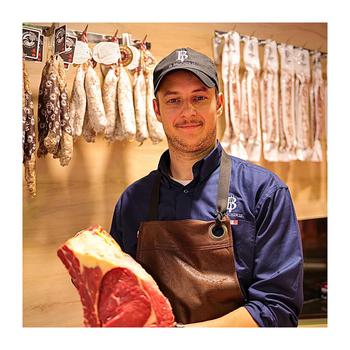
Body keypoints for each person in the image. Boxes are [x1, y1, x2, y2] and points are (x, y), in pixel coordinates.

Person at [110, 47, 303, 327]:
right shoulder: (132, 201)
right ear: (157, 110)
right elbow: (122, 299)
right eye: (173, 100)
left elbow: (278, 309)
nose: (188, 112)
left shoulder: (264, 192)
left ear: (219, 103)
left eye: (199, 98)